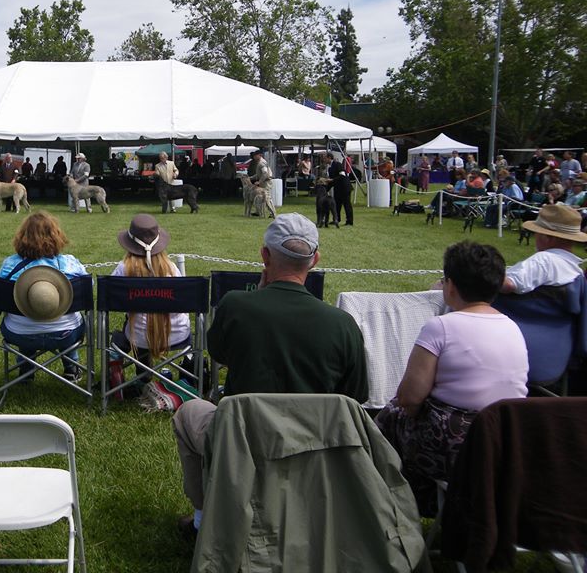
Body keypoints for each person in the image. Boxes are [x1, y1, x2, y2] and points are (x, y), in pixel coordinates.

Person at [173, 213, 368, 538]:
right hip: (314, 447)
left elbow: (218, 355)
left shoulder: (235, 305)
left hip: (243, 441)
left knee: (188, 413)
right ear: (315, 259)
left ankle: (202, 519)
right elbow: (355, 399)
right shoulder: (343, 324)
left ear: (264, 255)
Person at [376, 241, 528, 513]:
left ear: (451, 286)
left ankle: (390, 505)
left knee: (388, 417)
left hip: (457, 449)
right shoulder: (513, 327)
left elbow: (410, 398)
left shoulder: (440, 327)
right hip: (506, 445)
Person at [0, 211, 88, 381]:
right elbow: (88, 287)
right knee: (66, 317)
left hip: (19, 333)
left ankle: (26, 368)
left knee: (28, 312)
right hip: (65, 333)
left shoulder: (10, 265)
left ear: (22, 236)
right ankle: (71, 366)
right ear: (56, 236)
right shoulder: (70, 263)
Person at [110, 215, 191, 385]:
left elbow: (110, 301)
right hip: (178, 334)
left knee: (133, 324)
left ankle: (140, 377)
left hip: (138, 338)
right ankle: (190, 374)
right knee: (142, 322)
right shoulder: (172, 268)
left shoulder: (123, 269)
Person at [501, 205, 587, 294]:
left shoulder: (544, 260)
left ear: (546, 237)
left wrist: (488, 275)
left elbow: (509, 284)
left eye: (537, 233)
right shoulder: (575, 269)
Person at [325, 152, 353, 225]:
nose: (324, 159)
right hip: (337, 188)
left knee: (347, 205)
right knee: (337, 205)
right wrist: (324, 190)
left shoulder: (337, 164)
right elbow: (331, 182)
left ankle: (349, 221)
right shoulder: (330, 168)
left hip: (345, 187)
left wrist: (332, 180)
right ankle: (336, 219)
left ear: (329, 157)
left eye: (325, 158)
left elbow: (342, 175)